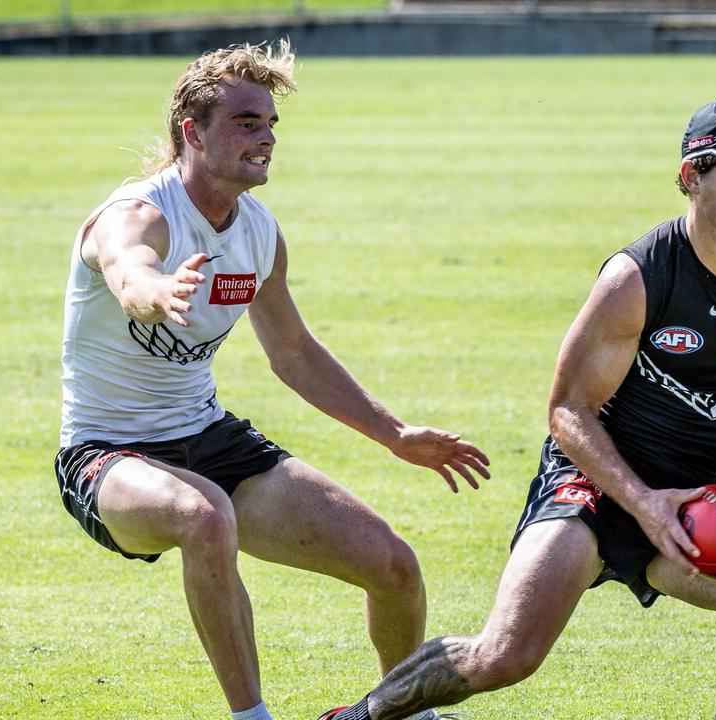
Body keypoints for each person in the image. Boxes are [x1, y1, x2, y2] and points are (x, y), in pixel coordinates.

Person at [318, 97, 716, 720]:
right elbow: (568, 411)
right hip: (590, 486)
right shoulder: (638, 279)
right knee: (505, 655)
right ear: (691, 177)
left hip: (688, 507)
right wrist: (642, 503)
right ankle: (363, 717)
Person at [53, 42, 490, 720]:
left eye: (270, 125)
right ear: (192, 132)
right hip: (107, 456)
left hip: (207, 439)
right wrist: (156, 290)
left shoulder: (258, 232)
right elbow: (127, 272)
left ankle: (406, 713)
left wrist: (396, 434)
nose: (265, 139)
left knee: (395, 567)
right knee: (202, 516)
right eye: (246, 123)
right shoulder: (140, 215)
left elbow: (294, 353)